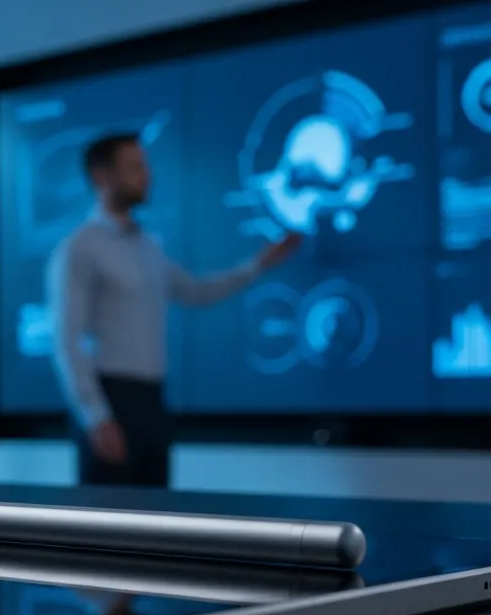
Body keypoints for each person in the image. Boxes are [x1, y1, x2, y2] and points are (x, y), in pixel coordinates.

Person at [47, 133, 301, 488]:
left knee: (156, 524)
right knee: (109, 529)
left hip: (151, 403)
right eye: (135, 167)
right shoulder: (80, 247)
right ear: (101, 177)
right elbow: (66, 340)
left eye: (145, 166)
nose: (146, 176)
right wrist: (96, 416)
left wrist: (258, 265)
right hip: (112, 400)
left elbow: (196, 291)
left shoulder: (147, 246)